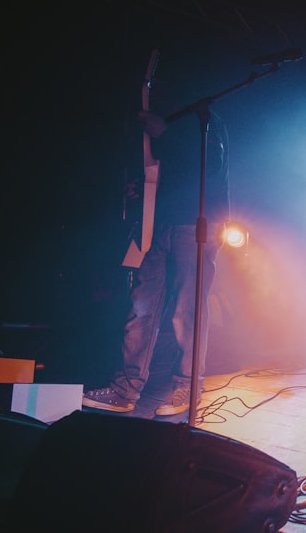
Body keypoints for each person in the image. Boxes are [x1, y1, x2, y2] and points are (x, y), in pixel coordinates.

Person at [83, 78, 230, 417]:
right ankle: (125, 388)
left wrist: (166, 132)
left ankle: (188, 386)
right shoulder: (170, 121)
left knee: (186, 310)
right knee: (141, 306)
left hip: (196, 222)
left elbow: (211, 167)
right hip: (157, 223)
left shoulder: (204, 119)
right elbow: (169, 173)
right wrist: (146, 187)